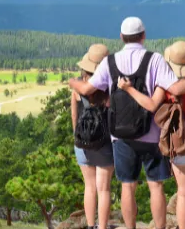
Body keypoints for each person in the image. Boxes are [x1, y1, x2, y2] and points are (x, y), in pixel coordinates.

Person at [69, 17, 185, 229]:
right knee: (156, 186)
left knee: (127, 186)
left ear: (121, 37)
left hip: (120, 135)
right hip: (151, 133)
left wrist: (71, 82)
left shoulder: (109, 62)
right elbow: (177, 89)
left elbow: (87, 90)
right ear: (143, 36)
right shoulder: (155, 59)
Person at [118, 41, 185, 229]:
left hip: (176, 141)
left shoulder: (164, 87)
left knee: (183, 192)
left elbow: (151, 105)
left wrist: (128, 89)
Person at [71, 44, 115, 229]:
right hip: (104, 143)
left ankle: (90, 225)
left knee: (89, 187)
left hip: (82, 143)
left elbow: (74, 116)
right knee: (104, 188)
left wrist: (78, 138)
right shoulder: (109, 89)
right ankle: (102, 227)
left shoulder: (78, 89)